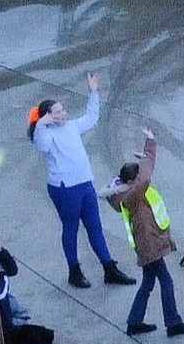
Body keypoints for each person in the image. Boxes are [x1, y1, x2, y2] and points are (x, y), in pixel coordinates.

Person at [30, 74, 133, 288]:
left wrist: (93, 92)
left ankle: (108, 267)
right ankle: (74, 270)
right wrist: (41, 125)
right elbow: (41, 146)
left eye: (63, 110)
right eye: (58, 112)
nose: (64, 114)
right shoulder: (46, 134)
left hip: (84, 183)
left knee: (95, 226)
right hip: (65, 188)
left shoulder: (71, 127)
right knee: (71, 228)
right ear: (47, 117)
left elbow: (91, 117)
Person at [105, 129, 184, 337]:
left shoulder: (124, 192)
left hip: (144, 243)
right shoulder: (135, 192)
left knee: (148, 281)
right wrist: (150, 145)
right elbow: (146, 174)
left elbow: (143, 174)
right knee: (166, 281)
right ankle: (173, 322)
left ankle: (135, 321)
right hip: (150, 244)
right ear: (132, 181)